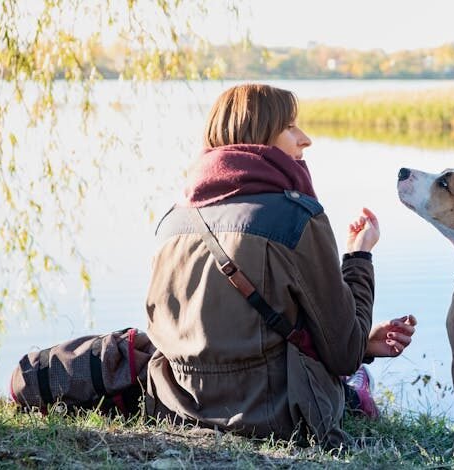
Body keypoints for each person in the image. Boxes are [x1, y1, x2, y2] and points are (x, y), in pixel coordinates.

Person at [143, 83, 416, 447]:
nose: (305, 140)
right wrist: (358, 257)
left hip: (177, 406)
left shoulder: (173, 220)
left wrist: (363, 343)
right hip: (277, 417)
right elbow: (346, 353)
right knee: (352, 375)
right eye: (290, 127)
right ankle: (356, 397)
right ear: (257, 137)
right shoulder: (295, 218)